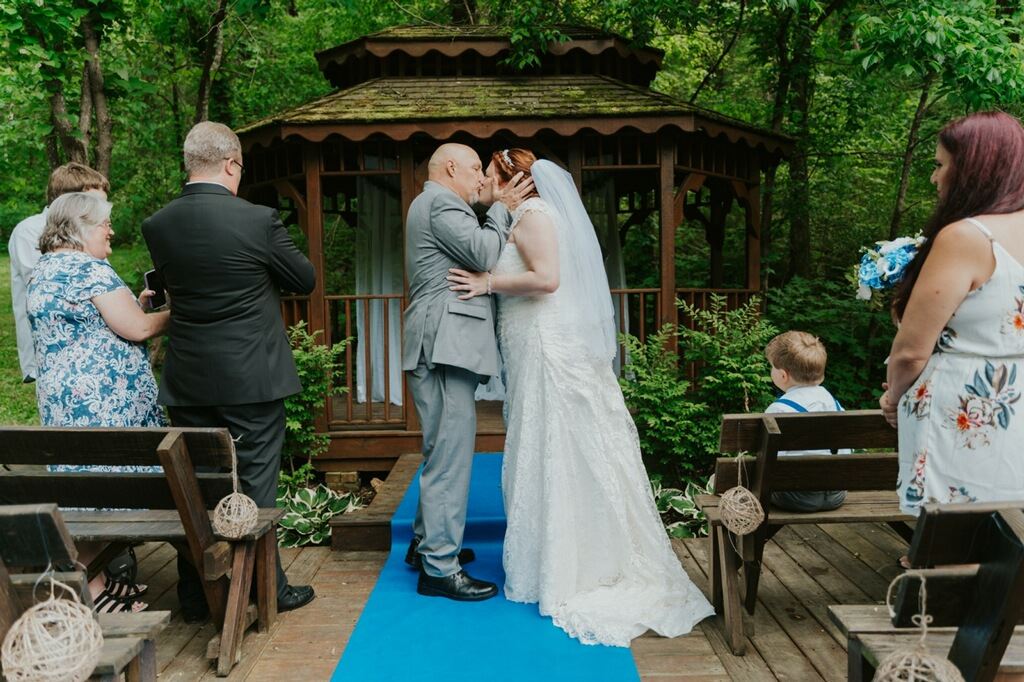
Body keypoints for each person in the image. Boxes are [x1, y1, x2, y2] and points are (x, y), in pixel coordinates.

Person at [447, 149, 714, 646]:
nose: (483, 179)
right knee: (546, 442)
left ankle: (578, 565)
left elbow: (547, 279)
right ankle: (555, 555)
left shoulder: (533, 215)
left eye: (490, 172)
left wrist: (488, 283)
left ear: (514, 179)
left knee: (561, 442)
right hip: (531, 340)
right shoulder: (518, 215)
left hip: (548, 343)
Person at [142, 121, 317, 621]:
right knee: (257, 484)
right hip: (253, 376)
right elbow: (302, 280)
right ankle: (268, 587)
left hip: (189, 377)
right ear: (232, 163)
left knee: (199, 482)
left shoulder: (159, 225)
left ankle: (197, 594)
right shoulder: (259, 221)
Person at [400, 143, 533, 601]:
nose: (481, 178)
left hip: (442, 343)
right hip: (444, 346)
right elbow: (482, 253)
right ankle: (440, 566)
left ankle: (424, 544)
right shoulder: (440, 202)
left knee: (442, 449)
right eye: (475, 168)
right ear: (450, 168)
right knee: (451, 456)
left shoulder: (435, 203)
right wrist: (501, 208)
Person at [880, 111, 1024, 522]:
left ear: (973, 168)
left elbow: (910, 352)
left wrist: (894, 395)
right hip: (1018, 413)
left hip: (962, 419)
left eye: (940, 165)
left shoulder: (966, 237)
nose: (934, 177)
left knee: (951, 547)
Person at [28, 191, 169, 612]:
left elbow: (95, 325)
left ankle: (98, 584)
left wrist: (134, 304)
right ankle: (77, 586)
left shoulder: (45, 270)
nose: (110, 230)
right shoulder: (91, 271)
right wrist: (174, 312)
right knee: (113, 498)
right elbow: (140, 329)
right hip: (104, 411)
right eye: (104, 223)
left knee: (88, 497)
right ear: (80, 228)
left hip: (64, 408)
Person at [10, 162, 110, 383]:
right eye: (94, 204)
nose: (102, 214)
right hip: (54, 354)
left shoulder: (91, 233)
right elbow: (55, 289)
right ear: (68, 202)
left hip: (94, 351)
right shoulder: (29, 231)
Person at [763, 331, 847, 513]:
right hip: (836, 495)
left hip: (794, 497)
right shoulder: (833, 402)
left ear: (783, 375)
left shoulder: (778, 410)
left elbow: (765, 460)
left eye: (771, 367)